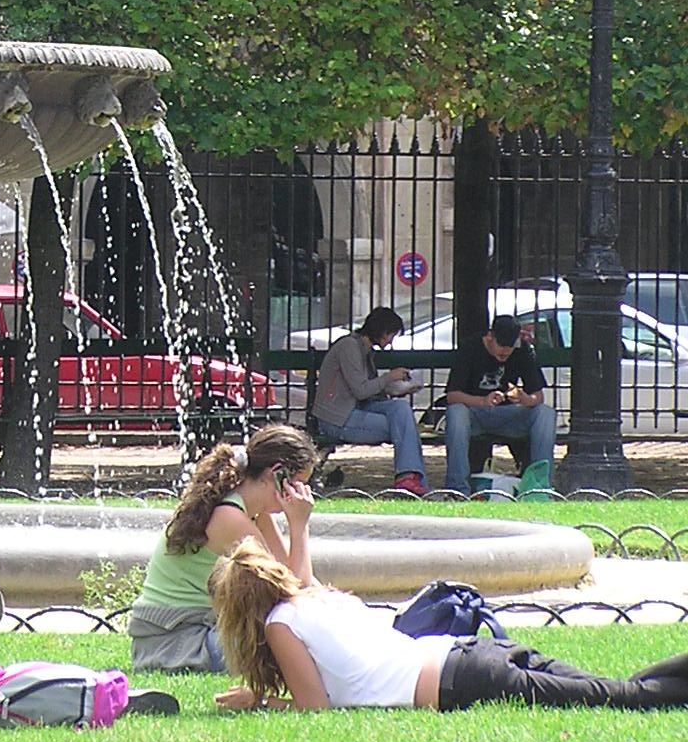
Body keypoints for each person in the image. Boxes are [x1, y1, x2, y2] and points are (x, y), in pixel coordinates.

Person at [209, 541, 688, 715]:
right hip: (468, 654)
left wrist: (260, 701)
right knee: (619, 691)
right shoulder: (313, 599)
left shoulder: (279, 625)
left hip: (460, 679)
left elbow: (314, 706)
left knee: (626, 697)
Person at [127, 425, 318, 673]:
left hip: (199, 633)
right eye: (300, 484)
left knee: (307, 632)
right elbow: (294, 592)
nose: (304, 494)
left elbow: (300, 582)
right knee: (293, 641)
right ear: (277, 474)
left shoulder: (250, 511)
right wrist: (299, 525)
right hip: (177, 644)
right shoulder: (229, 517)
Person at [312, 306, 427, 495]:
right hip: (338, 418)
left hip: (355, 411)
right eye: (391, 334)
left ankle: (408, 477)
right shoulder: (349, 347)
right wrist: (389, 377)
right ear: (381, 331)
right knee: (404, 426)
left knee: (400, 409)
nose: (391, 341)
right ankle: (409, 479)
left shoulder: (364, 350)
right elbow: (360, 390)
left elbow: (370, 391)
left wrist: (399, 389)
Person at [441, 312, 556, 496]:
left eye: (510, 347)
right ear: (490, 337)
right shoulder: (470, 347)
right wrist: (482, 401)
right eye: (501, 346)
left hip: (509, 414)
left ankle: (539, 486)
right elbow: (452, 396)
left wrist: (524, 398)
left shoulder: (522, 349)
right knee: (456, 413)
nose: (505, 351)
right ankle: (457, 488)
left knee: (545, 413)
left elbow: (538, 396)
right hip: (475, 414)